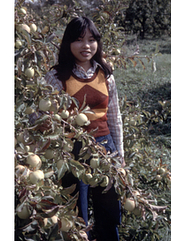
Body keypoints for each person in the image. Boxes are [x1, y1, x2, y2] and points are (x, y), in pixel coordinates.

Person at [40, 16, 124, 241]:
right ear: (68, 43)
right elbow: (43, 116)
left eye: (91, 40)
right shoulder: (57, 76)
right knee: (77, 211)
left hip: (105, 147)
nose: (86, 46)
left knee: (109, 207)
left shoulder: (105, 74)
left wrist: (120, 156)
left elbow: (115, 117)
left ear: (97, 43)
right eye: (79, 40)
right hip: (72, 152)